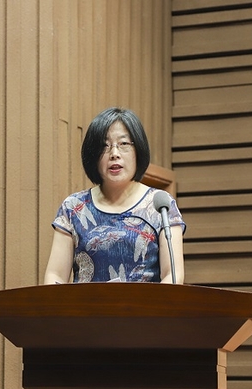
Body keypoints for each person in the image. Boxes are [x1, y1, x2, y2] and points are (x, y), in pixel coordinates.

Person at [43, 107, 185, 285]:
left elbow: (173, 275)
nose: (114, 154)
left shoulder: (160, 205)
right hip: (87, 304)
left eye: (124, 144)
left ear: (138, 150)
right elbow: (55, 275)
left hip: (147, 304)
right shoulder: (74, 207)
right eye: (105, 146)